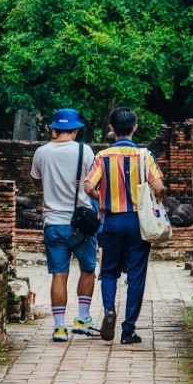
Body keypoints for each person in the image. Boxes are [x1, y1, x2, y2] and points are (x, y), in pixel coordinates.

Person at [85, 107, 165, 345]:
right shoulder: (144, 156)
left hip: (112, 220)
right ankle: (128, 329)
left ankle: (109, 309)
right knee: (136, 274)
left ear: (111, 129)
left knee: (108, 270)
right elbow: (159, 188)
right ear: (135, 128)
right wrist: (155, 200)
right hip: (138, 222)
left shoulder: (103, 157)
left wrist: (106, 198)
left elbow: (89, 187)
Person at [30, 108, 100, 342]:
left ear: (53, 129)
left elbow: (37, 183)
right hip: (81, 224)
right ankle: (82, 317)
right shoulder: (85, 151)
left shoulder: (41, 152)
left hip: (53, 222)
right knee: (88, 269)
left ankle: (59, 327)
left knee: (59, 274)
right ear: (76, 129)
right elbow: (93, 184)